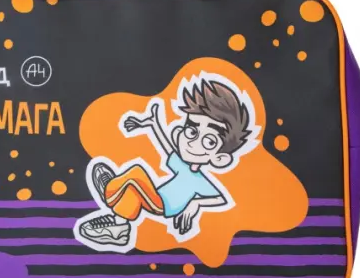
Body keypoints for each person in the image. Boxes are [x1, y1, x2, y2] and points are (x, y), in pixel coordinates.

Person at [79, 79, 254, 246]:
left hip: (163, 205)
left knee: (136, 175)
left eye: (209, 141)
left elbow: (220, 198)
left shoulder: (199, 180)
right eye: (191, 131)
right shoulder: (183, 167)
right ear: (180, 131)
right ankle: (120, 225)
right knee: (133, 190)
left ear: (219, 158)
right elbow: (166, 148)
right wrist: (152, 124)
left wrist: (195, 204)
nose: (193, 143)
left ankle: (112, 195)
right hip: (154, 196)